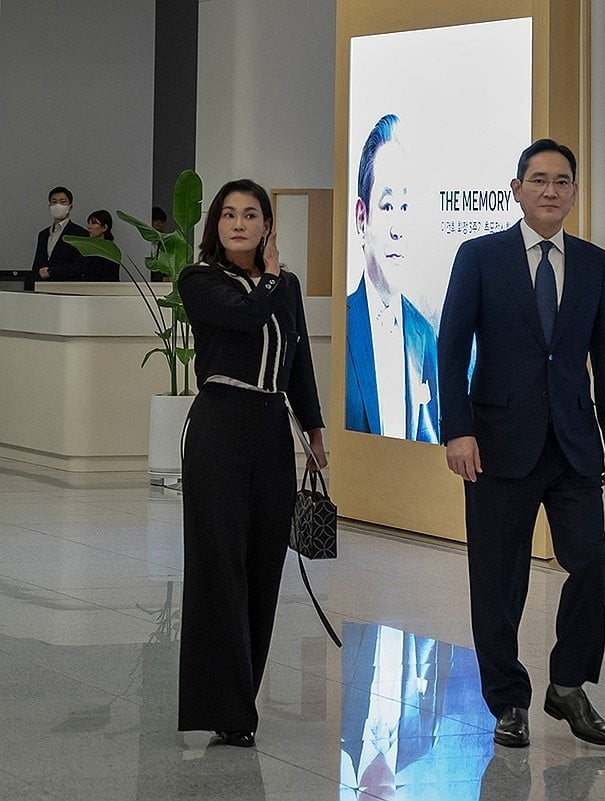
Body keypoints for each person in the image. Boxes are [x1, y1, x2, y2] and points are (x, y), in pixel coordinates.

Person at [438, 139, 605, 749]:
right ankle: (508, 701)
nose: (551, 190)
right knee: (498, 581)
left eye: (562, 181)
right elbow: (450, 346)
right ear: (516, 189)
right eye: (539, 180)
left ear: (574, 192)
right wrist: (457, 428)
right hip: (496, 444)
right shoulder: (481, 256)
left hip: (574, 443)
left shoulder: (595, 263)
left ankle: (567, 684)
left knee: (592, 566)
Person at [176, 178, 327, 748]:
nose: (239, 223)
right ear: (215, 225)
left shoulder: (283, 286)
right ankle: (227, 708)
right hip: (219, 425)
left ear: (267, 225)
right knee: (221, 565)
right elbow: (243, 317)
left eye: (251, 214)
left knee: (265, 564)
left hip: (270, 430)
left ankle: (242, 697)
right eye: (228, 215)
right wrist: (269, 277)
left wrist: (314, 430)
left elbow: (299, 360)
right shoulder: (199, 281)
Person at [345, 113, 440, 442]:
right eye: (387, 207)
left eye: (406, 207)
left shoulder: (424, 334)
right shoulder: (343, 322)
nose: (398, 229)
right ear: (362, 218)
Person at [32, 186, 87, 281]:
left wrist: (52, 271)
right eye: (54, 202)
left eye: (63, 202)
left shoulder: (79, 233)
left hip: (68, 286)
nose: (58, 205)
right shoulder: (43, 234)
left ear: (70, 207)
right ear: (49, 206)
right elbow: (37, 265)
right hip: (43, 287)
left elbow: (80, 265)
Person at [83, 210, 120, 281]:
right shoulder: (88, 247)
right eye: (89, 223)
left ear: (104, 227)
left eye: (93, 223)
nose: (88, 226)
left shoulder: (110, 250)